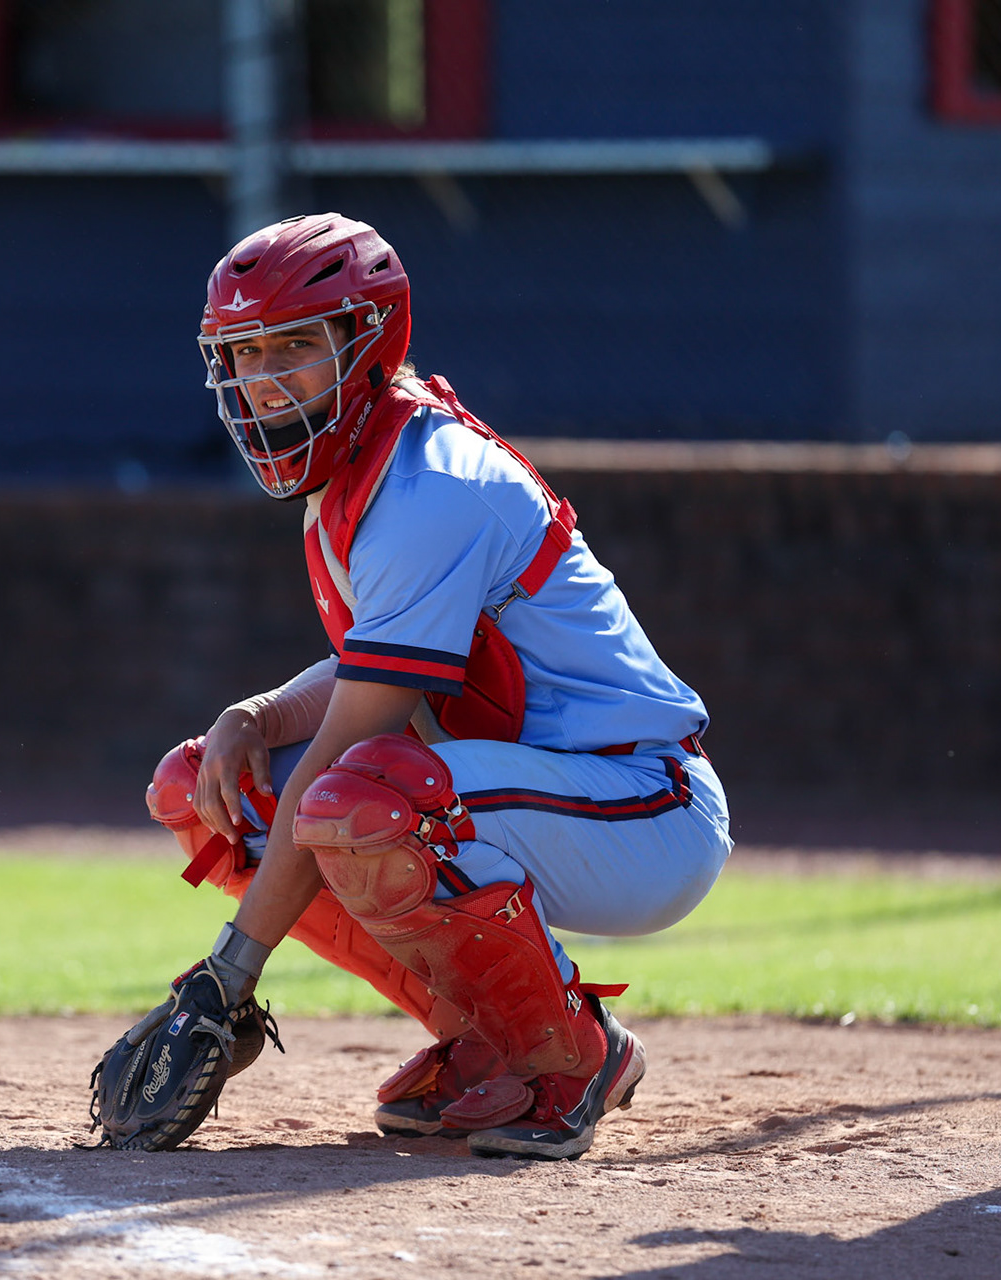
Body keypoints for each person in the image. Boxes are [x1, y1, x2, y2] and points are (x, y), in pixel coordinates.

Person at [96, 213, 732, 1161]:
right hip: (540, 793)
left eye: (295, 347)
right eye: (245, 352)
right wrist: (252, 716)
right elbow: (376, 677)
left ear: (369, 341)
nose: (265, 380)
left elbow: (361, 732)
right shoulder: (361, 472)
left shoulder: (430, 481)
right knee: (205, 789)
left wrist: (229, 973)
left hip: (644, 806)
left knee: (367, 795)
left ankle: (569, 1056)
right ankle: (492, 1044)